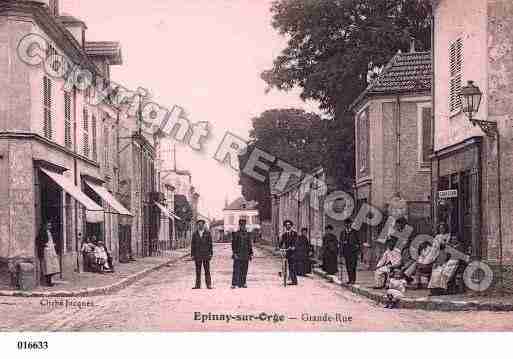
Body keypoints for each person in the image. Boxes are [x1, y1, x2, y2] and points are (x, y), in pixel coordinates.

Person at [231, 218, 254, 289]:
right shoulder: (236, 234)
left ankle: (243, 283)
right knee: (236, 269)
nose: (242, 226)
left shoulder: (247, 234)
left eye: (243, 225)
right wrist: (234, 253)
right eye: (241, 225)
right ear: (239, 226)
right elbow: (233, 244)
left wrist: (251, 253)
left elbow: (249, 244)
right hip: (238, 254)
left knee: (244, 269)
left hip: (245, 254)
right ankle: (234, 284)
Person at [36, 222, 61, 287]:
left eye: (50, 225)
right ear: (45, 226)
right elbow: (38, 241)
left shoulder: (49, 232)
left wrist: (53, 244)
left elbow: (50, 240)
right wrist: (45, 245)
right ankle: (48, 282)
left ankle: (50, 281)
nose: (50, 227)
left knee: (52, 266)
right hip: (46, 251)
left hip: (51, 251)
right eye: (48, 225)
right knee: (48, 267)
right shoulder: (42, 232)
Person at [191, 219, 213, 289]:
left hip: (206, 254)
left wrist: (211, 253)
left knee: (207, 270)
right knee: (198, 271)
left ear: (203, 225)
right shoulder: (195, 234)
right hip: (197, 255)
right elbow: (193, 245)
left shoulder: (208, 233)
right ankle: (197, 285)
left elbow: (210, 244)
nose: (200, 226)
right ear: (197, 225)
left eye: (201, 224)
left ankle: (208, 285)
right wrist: (192, 254)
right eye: (199, 224)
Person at [339, 218, 360, 284]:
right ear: (344, 224)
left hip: (353, 252)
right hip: (346, 252)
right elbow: (340, 242)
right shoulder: (342, 233)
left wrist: (357, 249)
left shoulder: (355, 232)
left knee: (353, 266)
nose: (348, 225)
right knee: (348, 266)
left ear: (351, 224)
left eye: (349, 223)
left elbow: (358, 242)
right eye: (346, 224)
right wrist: (341, 252)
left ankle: (353, 279)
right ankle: (350, 279)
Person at [279, 220, 298, 285]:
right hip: (287, 251)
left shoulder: (294, 233)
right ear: (285, 226)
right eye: (286, 225)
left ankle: (294, 281)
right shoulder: (284, 235)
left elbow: (296, 241)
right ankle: (285, 275)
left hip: (293, 252)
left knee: (292, 266)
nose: (288, 226)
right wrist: (280, 248)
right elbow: (281, 243)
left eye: (289, 225)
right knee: (287, 265)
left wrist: (294, 247)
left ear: (291, 225)